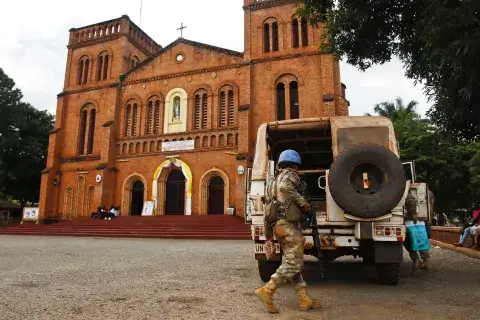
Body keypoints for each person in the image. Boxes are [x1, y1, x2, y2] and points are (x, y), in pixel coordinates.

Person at [255, 150, 321, 313]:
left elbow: (267, 211)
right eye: (297, 167)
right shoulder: (289, 176)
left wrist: (268, 235)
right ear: (294, 165)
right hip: (290, 227)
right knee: (294, 263)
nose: (297, 171)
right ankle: (267, 290)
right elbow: (286, 187)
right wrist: (303, 203)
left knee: (293, 264)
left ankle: (304, 299)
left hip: (278, 227)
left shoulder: (272, 182)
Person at [404, 190, 431, 273]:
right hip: (419, 223)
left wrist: (413, 214)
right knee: (421, 240)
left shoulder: (405, 191)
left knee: (408, 242)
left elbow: (410, 201)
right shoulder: (426, 193)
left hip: (409, 223)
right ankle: (425, 262)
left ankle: (416, 259)